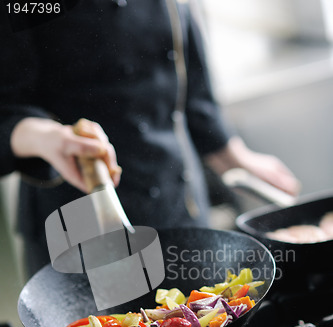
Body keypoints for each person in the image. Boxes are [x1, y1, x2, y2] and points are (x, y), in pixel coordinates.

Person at [0, 0, 299, 277]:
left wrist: (233, 155)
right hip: (81, 220)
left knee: (207, 318)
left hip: (180, 202)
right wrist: (43, 135)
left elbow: (187, 78)